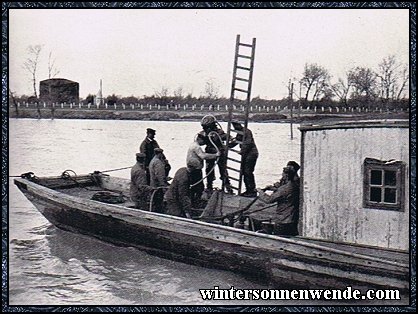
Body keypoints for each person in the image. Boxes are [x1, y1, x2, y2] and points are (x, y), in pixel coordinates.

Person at [256, 162, 300, 236]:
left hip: (283, 220)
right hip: (292, 219)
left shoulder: (285, 188)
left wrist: (260, 192)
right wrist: (274, 189)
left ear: (286, 175)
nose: (282, 176)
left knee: (280, 237)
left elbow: (269, 200)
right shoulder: (294, 185)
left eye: (283, 174)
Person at [199, 114, 233, 194]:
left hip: (220, 152)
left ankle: (228, 187)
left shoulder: (219, 132)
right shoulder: (203, 133)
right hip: (209, 153)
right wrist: (204, 138)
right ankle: (209, 187)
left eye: (207, 127)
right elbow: (199, 142)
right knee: (209, 170)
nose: (206, 129)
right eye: (205, 127)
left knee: (223, 170)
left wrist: (226, 145)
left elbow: (230, 138)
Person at [187, 133, 221, 206]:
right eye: (203, 141)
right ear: (199, 139)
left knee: (194, 186)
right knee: (198, 187)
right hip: (195, 170)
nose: (204, 143)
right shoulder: (196, 147)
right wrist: (215, 155)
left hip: (192, 168)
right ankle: (195, 202)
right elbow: (203, 156)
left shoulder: (192, 145)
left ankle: (193, 201)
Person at [230, 121, 259, 197]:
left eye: (236, 125)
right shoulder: (240, 133)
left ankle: (251, 190)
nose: (235, 127)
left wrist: (242, 151)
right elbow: (235, 142)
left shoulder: (247, 131)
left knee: (248, 172)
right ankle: (248, 190)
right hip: (246, 154)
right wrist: (226, 146)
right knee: (244, 172)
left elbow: (248, 143)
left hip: (251, 153)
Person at [148, 148, 168, 213]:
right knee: (158, 203)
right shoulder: (158, 162)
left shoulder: (152, 160)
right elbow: (160, 176)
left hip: (153, 184)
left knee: (154, 202)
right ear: (160, 154)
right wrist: (164, 187)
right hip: (158, 187)